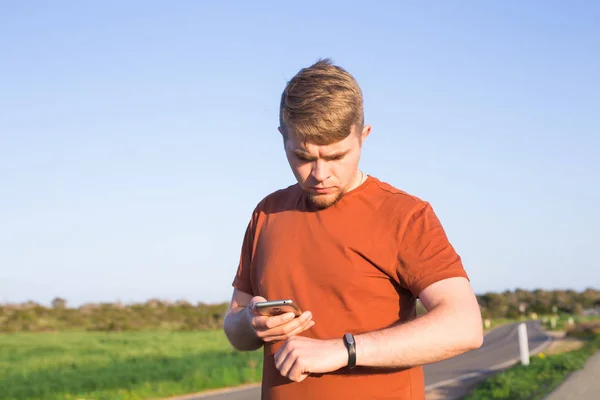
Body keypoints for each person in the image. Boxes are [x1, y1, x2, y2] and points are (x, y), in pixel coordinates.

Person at [223, 58, 483, 400]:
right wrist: (251, 325)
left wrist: (344, 350)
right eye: (303, 156)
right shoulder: (267, 213)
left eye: (336, 157)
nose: (319, 174)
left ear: (364, 136)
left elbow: (464, 325)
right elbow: (235, 328)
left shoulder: (405, 215)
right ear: (282, 137)